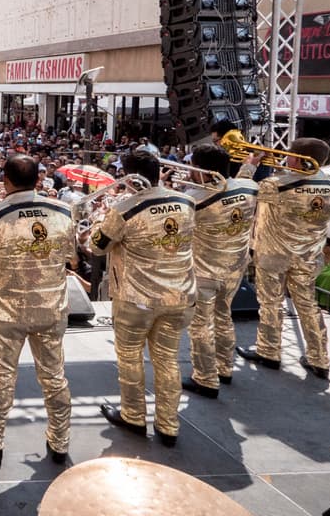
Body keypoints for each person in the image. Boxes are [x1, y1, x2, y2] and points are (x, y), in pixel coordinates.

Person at [0, 155, 76, 465]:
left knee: (2, 376)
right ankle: (60, 441)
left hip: (8, 310)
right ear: (38, 179)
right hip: (51, 307)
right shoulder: (63, 211)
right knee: (54, 376)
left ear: (5, 180)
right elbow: (71, 255)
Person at [90, 148, 195, 447]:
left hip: (136, 297)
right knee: (167, 359)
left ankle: (134, 416)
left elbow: (97, 246)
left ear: (130, 177)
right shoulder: (187, 201)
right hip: (178, 294)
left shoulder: (124, 209)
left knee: (130, 357)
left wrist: (100, 220)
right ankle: (169, 424)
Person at [236, 138, 330, 380]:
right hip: (309, 256)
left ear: (297, 158)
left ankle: (269, 351)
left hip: (274, 255)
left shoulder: (275, 185)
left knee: (271, 303)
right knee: (308, 305)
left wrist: (249, 165)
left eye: (290, 155)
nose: (286, 158)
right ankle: (319, 359)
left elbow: (241, 192)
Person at [181, 144, 258, 399]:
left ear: (201, 170)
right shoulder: (249, 188)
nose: (189, 172)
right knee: (224, 316)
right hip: (234, 267)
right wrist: (249, 166)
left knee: (201, 325)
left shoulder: (193, 198)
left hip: (203, 271)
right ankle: (225, 368)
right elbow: (242, 180)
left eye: (193, 167)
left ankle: (205, 378)